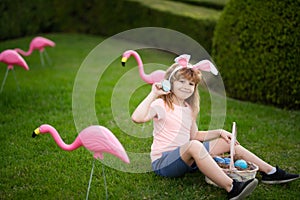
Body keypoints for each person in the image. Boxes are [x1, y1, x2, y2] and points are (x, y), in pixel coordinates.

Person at [131, 54, 299, 199]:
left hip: (187, 158)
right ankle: (232, 187)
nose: (186, 86)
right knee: (194, 146)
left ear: (195, 88)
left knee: (227, 142)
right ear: (170, 83)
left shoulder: (189, 108)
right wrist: (153, 94)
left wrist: (219, 132)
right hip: (164, 163)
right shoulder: (161, 104)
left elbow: (194, 135)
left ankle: (271, 173)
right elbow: (137, 118)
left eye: (191, 84)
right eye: (181, 81)